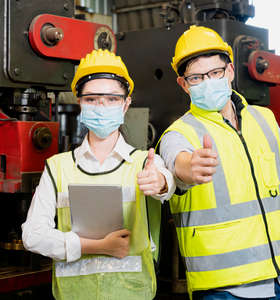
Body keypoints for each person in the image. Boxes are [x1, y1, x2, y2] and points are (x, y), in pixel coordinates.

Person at [158, 25, 280, 300]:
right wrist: (190, 168)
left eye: (215, 73)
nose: (208, 81)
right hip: (225, 291)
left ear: (230, 71)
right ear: (183, 84)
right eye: (196, 77)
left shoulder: (264, 120)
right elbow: (178, 165)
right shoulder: (178, 135)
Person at [22, 49, 175, 300]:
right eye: (91, 99)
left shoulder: (145, 163)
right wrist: (96, 247)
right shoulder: (57, 168)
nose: (101, 106)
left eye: (112, 99)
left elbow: (166, 185)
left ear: (126, 104)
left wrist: (159, 182)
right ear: (79, 103)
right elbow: (33, 236)